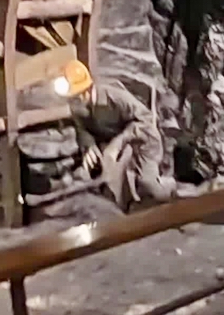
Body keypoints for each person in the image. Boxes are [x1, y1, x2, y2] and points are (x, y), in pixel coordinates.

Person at [61, 60, 176, 208]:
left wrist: (119, 141)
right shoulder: (78, 106)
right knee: (105, 186)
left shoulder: (114, 96)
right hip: (112, 144)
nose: (71, 105)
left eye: (73, 99)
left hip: (142, 140)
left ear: (85, 94)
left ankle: (169, 187)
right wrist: (88, 145)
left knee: (149, 187)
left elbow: (146, 119)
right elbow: (81, 128)